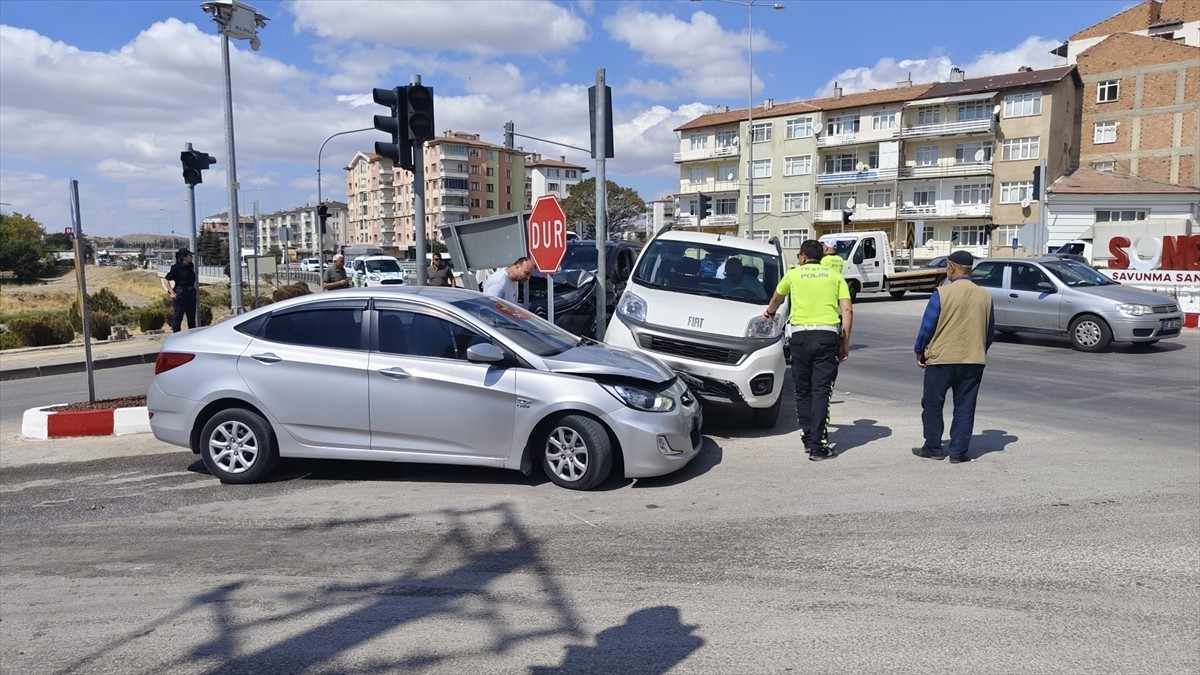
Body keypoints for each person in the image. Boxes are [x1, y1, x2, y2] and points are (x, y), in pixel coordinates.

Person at [763, 240, 852, 461]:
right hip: (826, 337)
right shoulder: (835, 276)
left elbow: (776, 298)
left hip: (799, 337)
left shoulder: (793, 274)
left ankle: (808, 436)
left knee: (803, 390)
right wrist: (845, 342)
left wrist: (770, 313)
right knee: (821, 391)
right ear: (821, 256)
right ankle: (817, 446)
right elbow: (847, 310)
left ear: (802, 256)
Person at [912, 250, 995, 464]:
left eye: (947, 266)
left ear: (952, 267)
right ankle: (958, 452)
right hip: (973, 360)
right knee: (965, 406)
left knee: (933, 403)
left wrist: (920, 350)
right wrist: (978, 350)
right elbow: (990, 332)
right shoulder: (985, 296)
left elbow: (928, 326)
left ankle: (933, 447)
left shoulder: (942, 293)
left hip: (942, 359)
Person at [161, 247, 198, 332]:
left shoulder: (190, 266)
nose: (191, 257)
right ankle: (176, 335)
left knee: (191, 317)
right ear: (184, 257)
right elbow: (166, 280)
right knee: (178, 316)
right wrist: (172, 292)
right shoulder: (177, 267)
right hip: (181, 293)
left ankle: (192, 335)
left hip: (191, 293)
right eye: (189, 255)